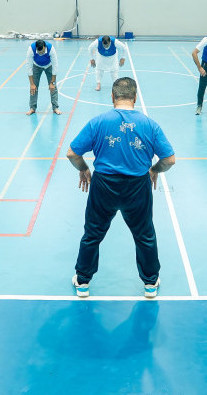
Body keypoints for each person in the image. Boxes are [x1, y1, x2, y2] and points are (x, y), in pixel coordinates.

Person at [66, 77, 176, 299]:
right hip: (137, 187)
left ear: (112, 97)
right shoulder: (150, 125)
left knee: (93, 233)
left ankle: (83, 282)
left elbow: (72, 153)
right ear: (135, 97)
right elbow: (170, 159)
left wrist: (85, 169)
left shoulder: (98, 122)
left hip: (104, 185)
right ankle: (150, 283)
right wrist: (154, 171)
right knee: (144, 235)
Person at [27, 39, 61, 115]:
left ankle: (55, 107)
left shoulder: (51, 48)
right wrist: (32, 84)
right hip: (36, 66)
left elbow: (55, 66)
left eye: (42, 52)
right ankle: (32, 108)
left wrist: (52, 82)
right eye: (39, 53)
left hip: (49, 65)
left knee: (53, 87)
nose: (41, 54)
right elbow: (29, 67)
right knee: (33, 88)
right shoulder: (31, 49)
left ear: (45, 47)